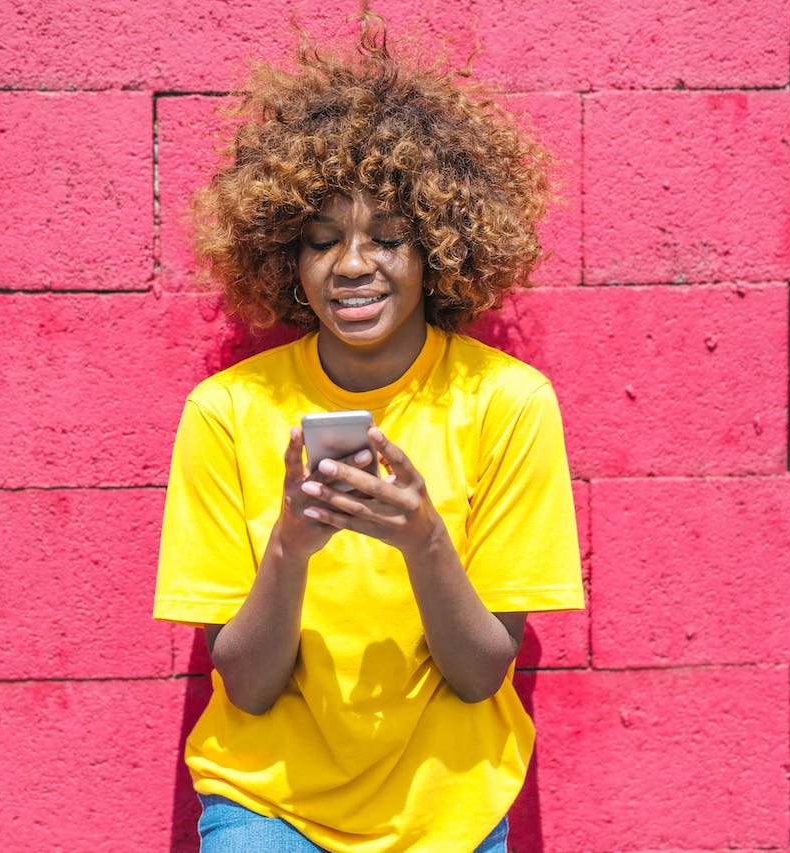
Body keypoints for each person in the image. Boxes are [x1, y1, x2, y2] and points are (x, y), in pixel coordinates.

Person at [153, 20, 583, 853]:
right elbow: (244, 686)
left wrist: (423, 536)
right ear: (288, 258)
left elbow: (478, 673)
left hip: (444, 810)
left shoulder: (507, 403)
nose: (352, 264)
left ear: (437, 248)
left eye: (386, 238)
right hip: (264, 803)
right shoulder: (225, 412)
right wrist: (289, 544)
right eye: (322, 242)